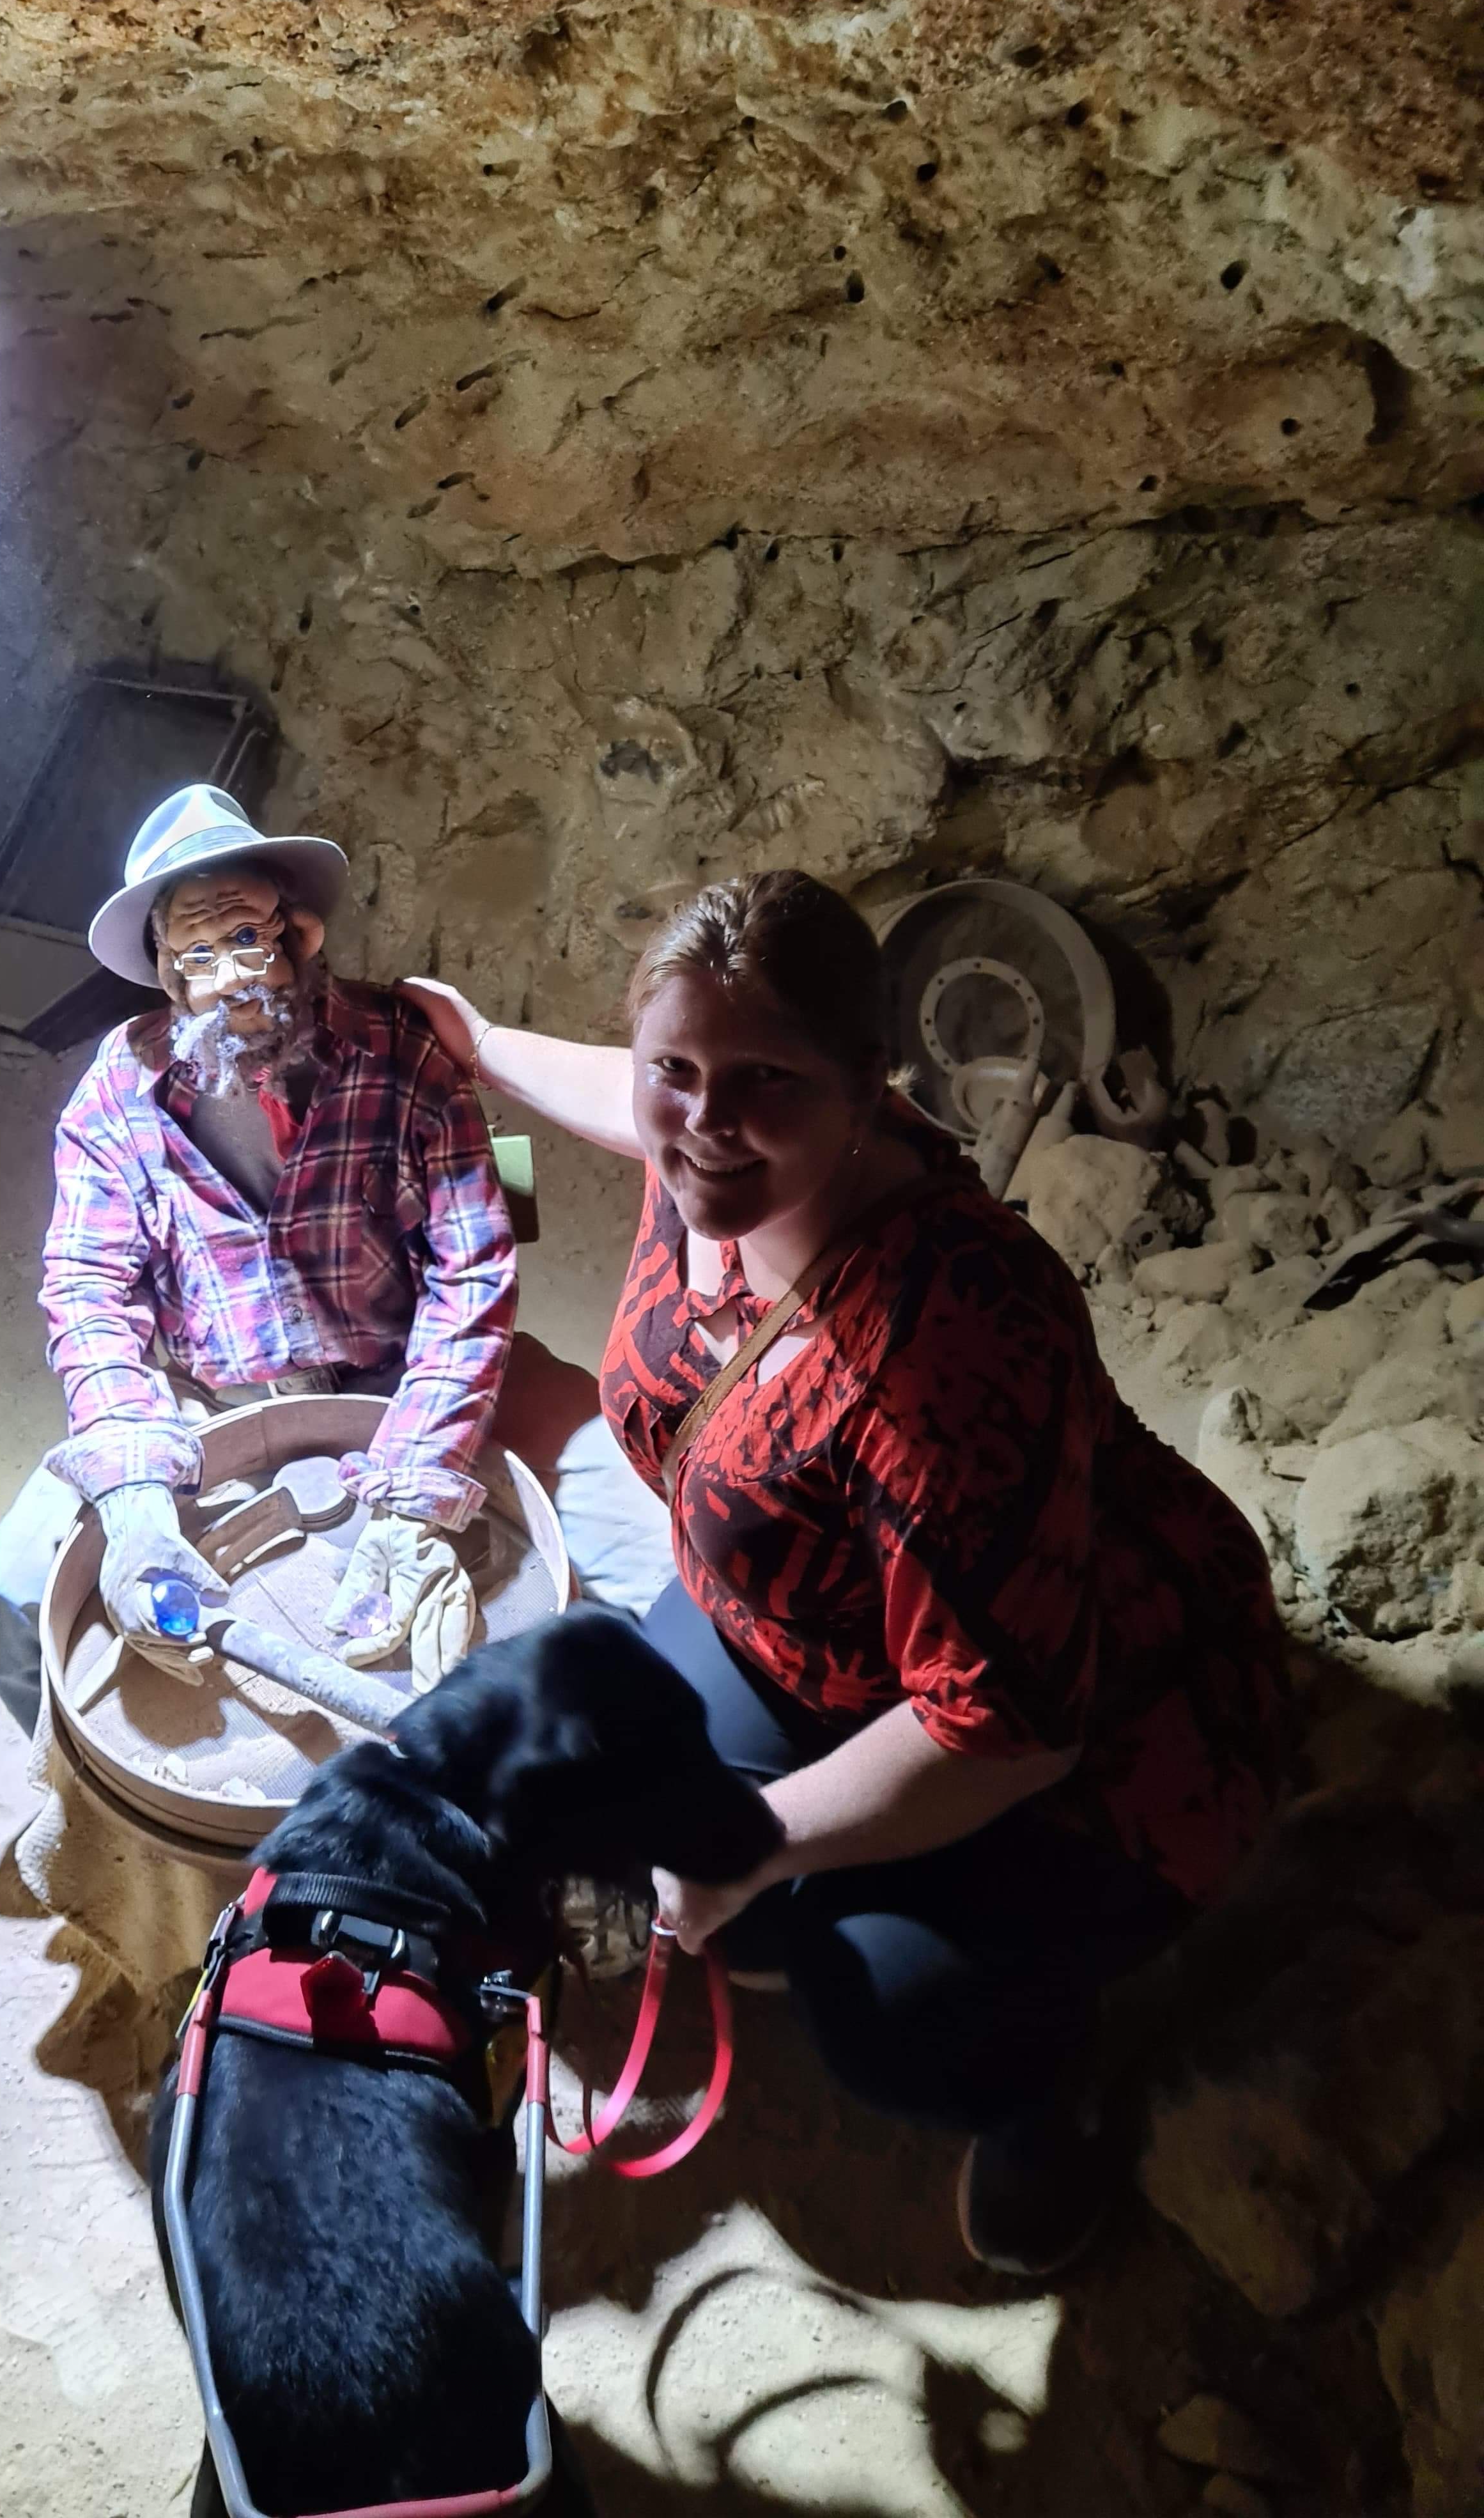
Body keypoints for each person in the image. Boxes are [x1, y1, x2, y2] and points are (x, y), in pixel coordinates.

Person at [401, 870, 1289, 2278]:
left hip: (1086, 1720)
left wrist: (745, 1850)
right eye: (676, 1072)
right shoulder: (711, 1155)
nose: (708, 1121)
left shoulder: (948, 1345)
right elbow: (638, 1097)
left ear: (867, 1088)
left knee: (889, 2003)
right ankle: (802, 1868)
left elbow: (1004, 1727)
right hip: (817, 1624)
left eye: (767, 1080)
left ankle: (1048, 2085)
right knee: (633, 1737)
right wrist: (480, 1043)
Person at [0, 783, 516, 1734]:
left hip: (391, 1379)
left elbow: (474, 1271)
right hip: (211, 1399)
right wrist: (136, 1494)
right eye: (202, 953)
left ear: (299, 937)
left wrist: (417, 1482)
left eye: (252, 939)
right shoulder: (118, 1096)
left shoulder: (404, 1055)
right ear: (165, 971)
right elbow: (88, 1292)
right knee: (8, 1607)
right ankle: (107, 1828)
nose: (236, 979)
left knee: (618, 1564)